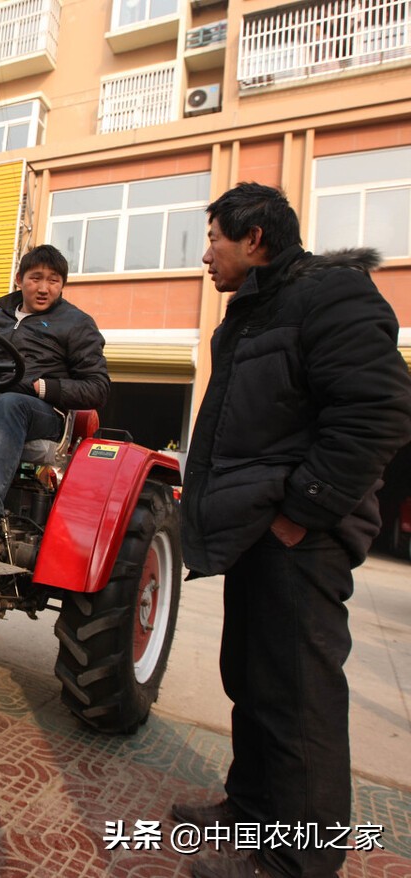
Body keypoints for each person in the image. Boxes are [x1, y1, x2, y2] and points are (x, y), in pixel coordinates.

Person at [175, 182, 411, 878]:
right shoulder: (252, 311)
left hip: (300, 536)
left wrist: (300, 512)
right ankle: (249, 809)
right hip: (258, 529)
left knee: (299, 698)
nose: (206, 254)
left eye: (215, 237)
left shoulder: (330, 295)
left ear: (255, 238)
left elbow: (378, 414)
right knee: (252, 678)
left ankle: (295, 864)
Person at [0, 244, 109, 562]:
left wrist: (43, 387)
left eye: (53, 280)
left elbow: (97, 388)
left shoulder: (78, 324)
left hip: (41, 412)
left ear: (62, 285)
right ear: (19, 279)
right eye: (35, 278)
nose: (43, 288)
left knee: (11, 403)